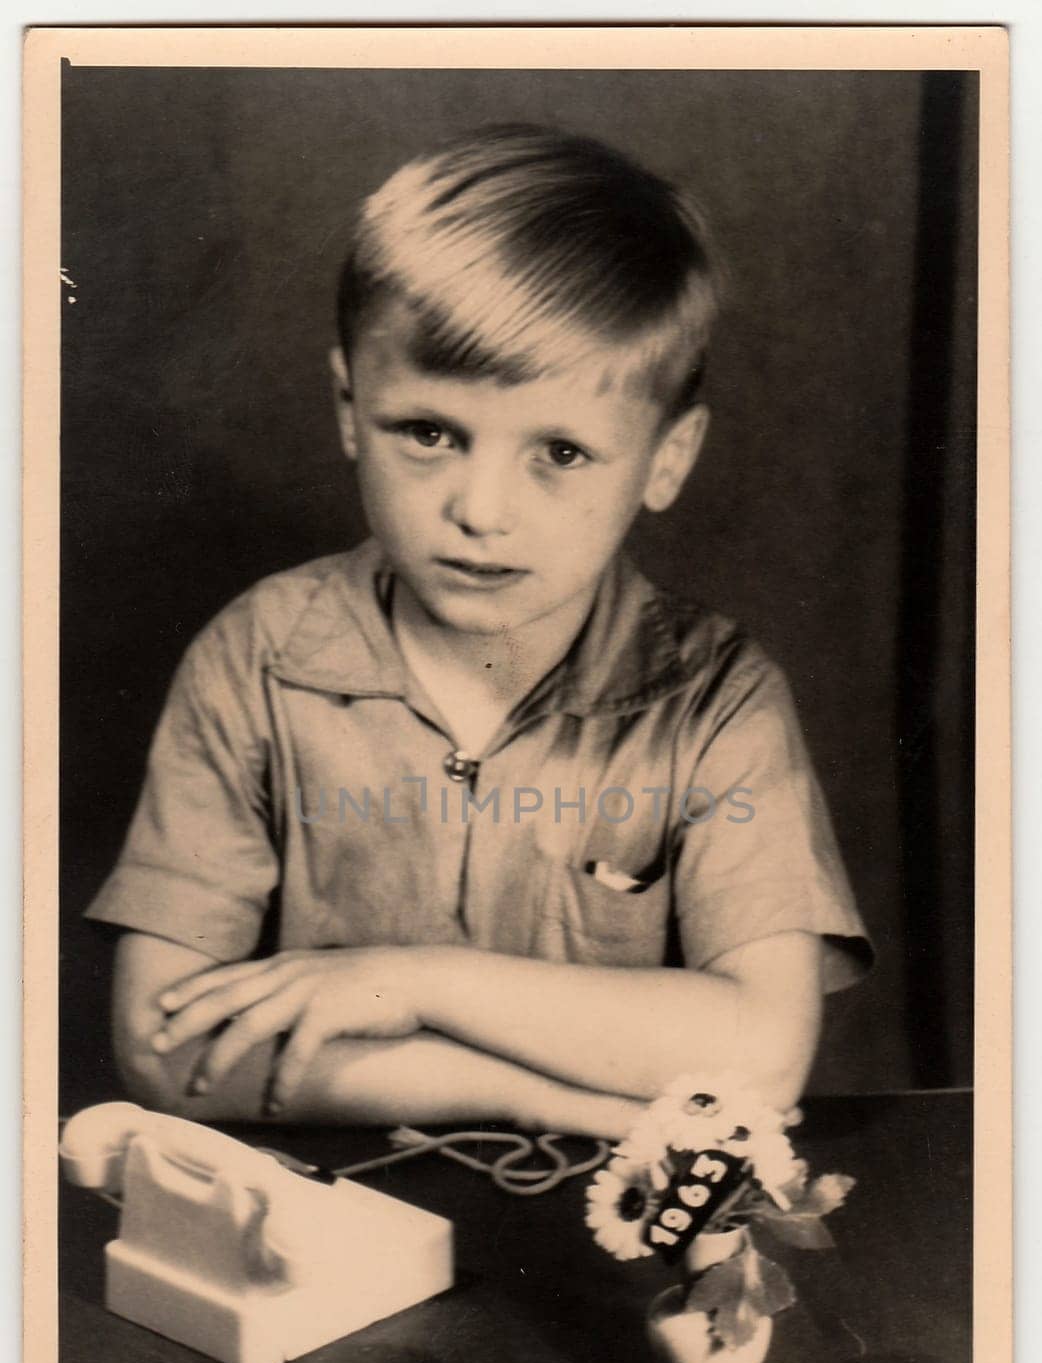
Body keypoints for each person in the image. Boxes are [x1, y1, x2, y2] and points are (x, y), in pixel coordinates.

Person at [86, 125, 871, 1141]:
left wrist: (410, 985)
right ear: (347, 408)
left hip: (604, 1239)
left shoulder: (715, 698)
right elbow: (161, 1042)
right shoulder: (257, 659)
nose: (482, 508)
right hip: (336, 1234)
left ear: (666, 458)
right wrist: (524, 1093)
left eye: (560, 451)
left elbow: (763, 1052)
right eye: (429, 432)